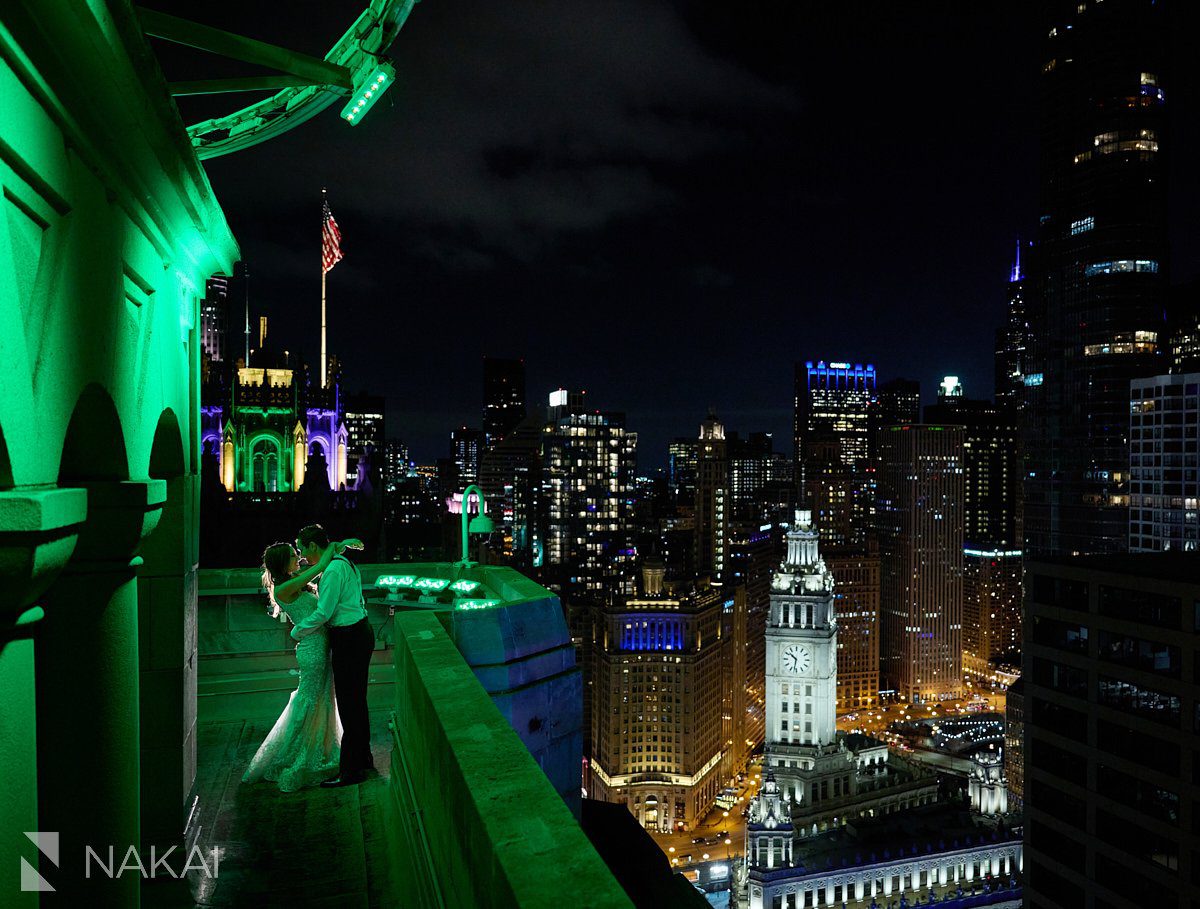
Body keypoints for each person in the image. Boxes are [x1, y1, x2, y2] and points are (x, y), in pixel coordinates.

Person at [242, 535, 358, 792]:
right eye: (294, 556)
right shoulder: (284, 588)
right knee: (311, 698)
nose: (299, 557)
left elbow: (321, 567)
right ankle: (300, 754)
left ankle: (320, 748)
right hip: (312, 649)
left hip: (319, 646)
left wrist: (340, 545)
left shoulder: (294, 584)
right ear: (283, 562)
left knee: (321, 698)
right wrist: (341, 544)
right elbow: (319, 567)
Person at [291, 523, 375, 786]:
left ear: (313, 546)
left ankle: (350, 772)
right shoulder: (341, 562)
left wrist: (298, 631)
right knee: (357, 702)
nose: (302, 556)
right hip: (359, 632)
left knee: (350, 706)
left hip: (349, 638)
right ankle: (363, 760)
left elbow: (324, 613)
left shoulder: (333, 571)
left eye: (302, 549)